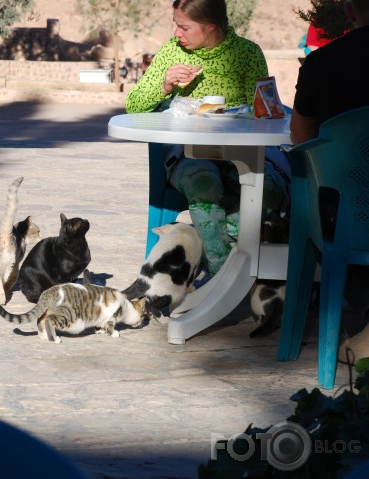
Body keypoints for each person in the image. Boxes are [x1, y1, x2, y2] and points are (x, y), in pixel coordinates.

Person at [125, 0, 290, 277]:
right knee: (204, 185)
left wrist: (248, 111)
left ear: (210, 27)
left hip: (245, 152)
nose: (177, 33)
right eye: (176, 25)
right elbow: (134, 105)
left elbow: (268, 107)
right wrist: (165, 85)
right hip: (189, 153)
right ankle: (221, 275)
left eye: (184, 27)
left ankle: (220, 250)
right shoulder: (172, 52)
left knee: (270, 190)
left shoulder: (247, 53)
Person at [290, 0, 369, 361]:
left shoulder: (322, 62)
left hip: (348, 217)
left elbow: (302, 138)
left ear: (351, 10)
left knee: (337, 212)